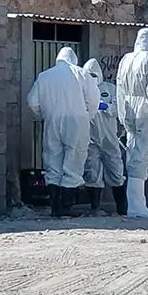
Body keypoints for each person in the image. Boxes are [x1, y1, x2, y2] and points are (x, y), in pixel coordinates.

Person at [26, 46, 100, 217]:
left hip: (52, 120)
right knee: (74, 160)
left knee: (53, 160)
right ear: (73, 59)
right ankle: (66, 207)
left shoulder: (44, 76)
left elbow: (32, 102)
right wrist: (87, 116)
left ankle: (54, 207)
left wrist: (45, 115)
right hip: (77, 121)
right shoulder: (82, 74)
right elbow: (94, 100)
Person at [116, 28, 148, 219]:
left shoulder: (125, 59)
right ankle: (137, 206)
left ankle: (134, 204)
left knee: (132, 155)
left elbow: (119, 90)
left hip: (128, 108)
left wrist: (122, 115)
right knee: (142, 157)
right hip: (145, 110)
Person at [82, 58, 128, 216]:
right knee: (92, 173)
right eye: (89, 75)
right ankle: (95, 208)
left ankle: (122, 210)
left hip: (109, 139)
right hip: (90, 139)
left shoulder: (110, 89)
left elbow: (119, 109)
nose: (92, 78)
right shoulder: (81, 90)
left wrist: (105, 106)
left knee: (116, 172)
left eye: (94, 75)